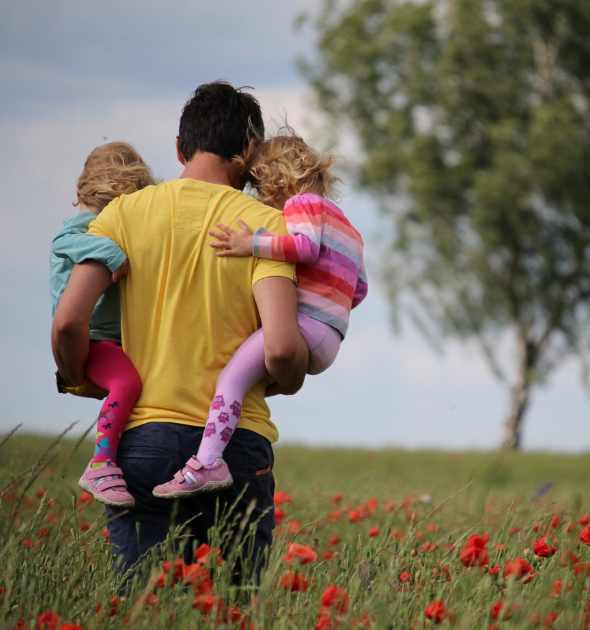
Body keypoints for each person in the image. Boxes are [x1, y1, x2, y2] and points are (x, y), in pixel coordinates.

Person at [52, 81, 309, 581]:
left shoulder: (122, 215)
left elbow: (67, 321)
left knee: (146, 605)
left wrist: (79, 376)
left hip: (143, 441)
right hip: (236, 446)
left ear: (179, 148)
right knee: (231, 610)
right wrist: (292, 375)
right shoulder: (266, 227)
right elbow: (280, 348)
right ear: (250, 151)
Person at [153, 130, 368, 498]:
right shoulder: (349, 227)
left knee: (230, 380)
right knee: (249, 381)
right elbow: (359, 289)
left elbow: (304, 247)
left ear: (278, 179)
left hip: (305, 326)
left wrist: (250, 243)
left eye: (260, 187)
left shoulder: (302, 204)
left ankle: (207, 463)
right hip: (331, 336)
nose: (261, 198)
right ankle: (218, 444)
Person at [50, 142, 156, 509]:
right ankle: (101, 463)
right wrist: (111, 252)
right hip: (93, 339)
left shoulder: (101, 224)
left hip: (112, 339)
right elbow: (64, 241)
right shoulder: (83, 228)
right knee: (127, 383)